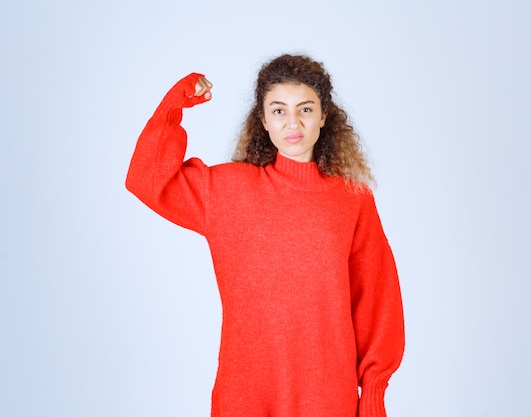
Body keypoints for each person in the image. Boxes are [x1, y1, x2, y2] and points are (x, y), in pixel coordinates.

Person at [126, 54, 404, 417]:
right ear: (262, 120)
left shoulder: (351, 199)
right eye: (278, 110)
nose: (293, 122)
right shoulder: (227, 191)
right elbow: (146, 179)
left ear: (324, 117)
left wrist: (372, 395)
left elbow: (376, 301)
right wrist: (174, 104)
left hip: (327, 394)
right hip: (246, 394)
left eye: (305, 110)